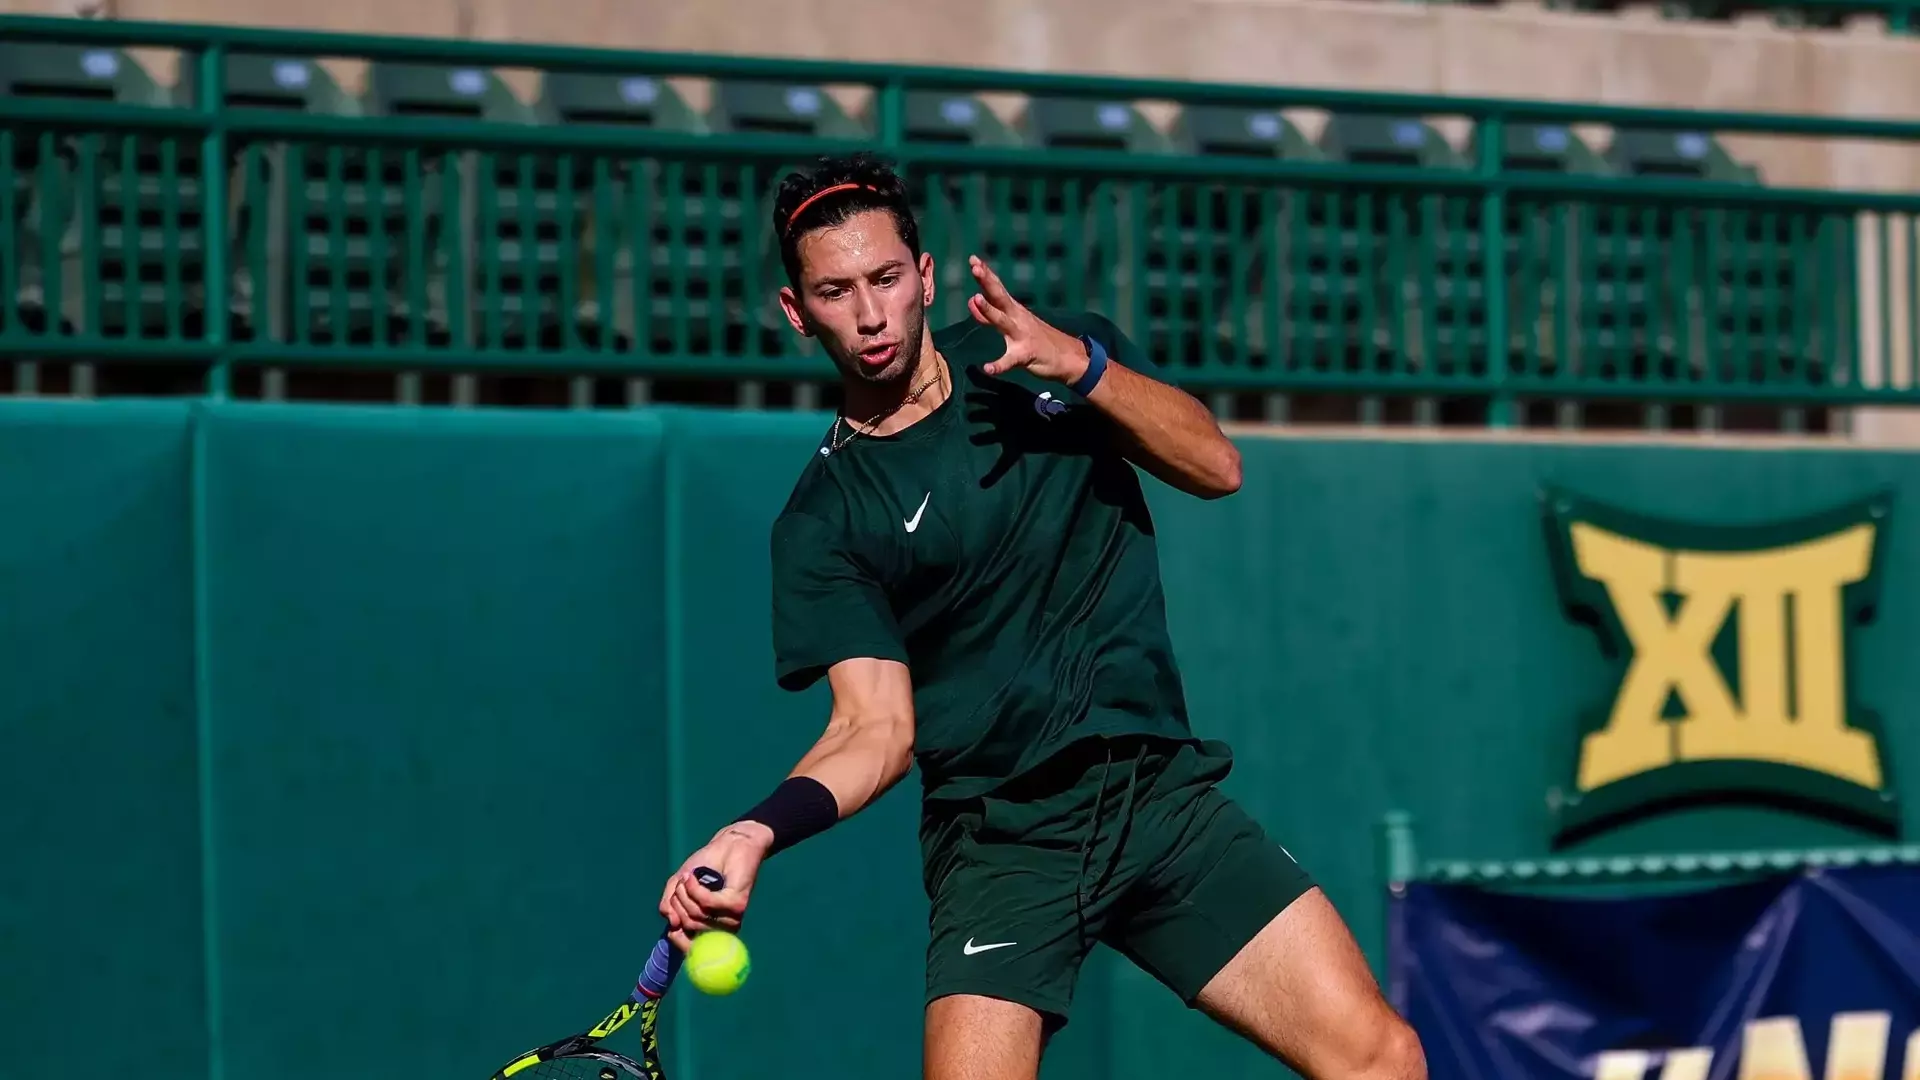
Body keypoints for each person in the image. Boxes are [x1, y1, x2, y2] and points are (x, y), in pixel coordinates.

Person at [657, 152, 1426, 1080]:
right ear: (796, 310)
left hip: (1158, 798)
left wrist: (1084, 368)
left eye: (887, 279)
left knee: (1381, 1059)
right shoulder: (824, 522)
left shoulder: (1048, 359)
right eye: (835, 291)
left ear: (926, 277)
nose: (868, 314)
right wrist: (756, 830)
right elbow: (875, 728)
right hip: (1004, 846)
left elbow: (1216, 467)